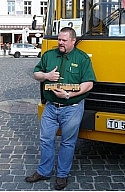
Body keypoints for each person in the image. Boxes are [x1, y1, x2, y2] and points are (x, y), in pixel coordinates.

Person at [25, 27, 96, 191]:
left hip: (72, 107)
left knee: (68, 143)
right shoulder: (49, 55)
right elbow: (36, 73)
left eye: (64, 40)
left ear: (73, 41)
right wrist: (47, 76)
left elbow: (89, 83)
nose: (60, 43)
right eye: (59, 39)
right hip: (51, 107)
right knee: (45, 139)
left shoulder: (82, 58)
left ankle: (62, 175)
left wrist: (70, 94)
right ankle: (44, 171)